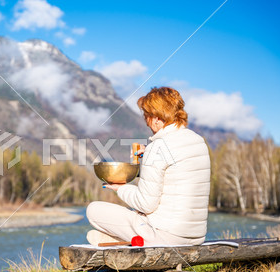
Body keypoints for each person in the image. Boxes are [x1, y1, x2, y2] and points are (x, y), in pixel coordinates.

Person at [86, 87, 211, 246]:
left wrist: (121, 188)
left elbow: (146, 204)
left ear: (157, 118)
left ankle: (126, 240)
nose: (146, 122)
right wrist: (147, 162)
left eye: (146, 116)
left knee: (93, 210)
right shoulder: (198, 141)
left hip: (166, 236)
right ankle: (125, 240)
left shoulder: (158, 147)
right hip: (196, 237)